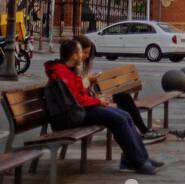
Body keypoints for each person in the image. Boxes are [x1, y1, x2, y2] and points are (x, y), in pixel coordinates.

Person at [44, 40, 162, 175]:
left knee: (125, 115)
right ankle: (137, 162)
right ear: (75, 55)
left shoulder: (67, 71)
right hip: (74, 115)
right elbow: (76, 100)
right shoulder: (61, 73)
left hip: (80, 110)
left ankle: (142, 158)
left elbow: (80, 92)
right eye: (81, 52)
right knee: (119, 119)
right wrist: (97, 101)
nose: (83, 56)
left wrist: (97, 99)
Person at [75, 35, 165, 143]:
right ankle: (139, 135)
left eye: (88, 53)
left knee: (123, 99)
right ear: (76, 52)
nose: (87, 56)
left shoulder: (81, 64)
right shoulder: (72, 67)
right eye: (85, 52)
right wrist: (91, 83)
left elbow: (83, 86)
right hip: (84, 107)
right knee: (122, 110)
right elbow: (78, 87)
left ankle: (140, 133)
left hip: (89, 100)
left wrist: (93, 82)